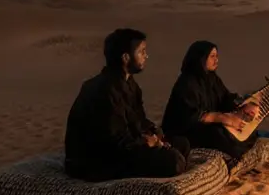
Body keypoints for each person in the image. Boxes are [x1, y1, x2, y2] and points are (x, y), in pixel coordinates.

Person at [64, 28, 193, 181]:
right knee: (173, 161)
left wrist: (155, 133)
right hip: (98, 160)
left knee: (181, 144)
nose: (146, 56)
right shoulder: (104, 89)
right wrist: (147, 143)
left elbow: (138, 120)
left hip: (124, 147)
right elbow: (115, 140)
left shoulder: (130, 84)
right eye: (141, 52)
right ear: (126, 57)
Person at [160, 40, 262, 160]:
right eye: (212, 56)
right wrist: (223, 118)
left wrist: (243, 104)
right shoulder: (187, 83)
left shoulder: (212, 78)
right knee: (219, 135)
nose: (216, 60)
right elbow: (190, 116)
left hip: (209, 124)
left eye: (217, 56)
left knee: (245, 130)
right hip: (187, 130)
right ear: (201, 59)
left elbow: (225, 98)